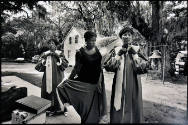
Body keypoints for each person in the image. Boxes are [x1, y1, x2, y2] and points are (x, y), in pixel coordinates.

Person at [56, 31, 107, 123]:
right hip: (84, 83)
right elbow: (76, 69)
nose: (92, 42)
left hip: (95, 82)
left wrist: (100, 79)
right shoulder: (80, 52)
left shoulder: (97, 50)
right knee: (85, 108)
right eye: (90, 40)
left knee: (94, 107)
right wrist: (69, 79)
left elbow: (99, 65)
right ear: (85, 40)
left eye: (94, 41)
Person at [103, 26, 148, 123]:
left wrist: (135, 55)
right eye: (124, 34)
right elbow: (108, 66)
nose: (127, 36)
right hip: (119, 83)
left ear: (132, 37)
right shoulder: (116, 49)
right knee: (118, 102)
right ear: (121, 37)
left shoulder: (137, 49)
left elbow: (144, 67)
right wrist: (118, 55)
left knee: (133, 102)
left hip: (134, 83)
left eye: (129, 35)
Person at [35, 38, 68, 116]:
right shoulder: (45, 54)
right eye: (49, 43)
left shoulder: (60, 53)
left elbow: (65, 65)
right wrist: (43, 60)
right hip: (47, 77)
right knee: (47, 91)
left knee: (58, 91)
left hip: (58, 76)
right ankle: (49, 109)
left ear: (56, 45)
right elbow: (38, 66)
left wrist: (57, 56)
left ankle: (61, 109)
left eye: (52, 43)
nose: (51, 44)